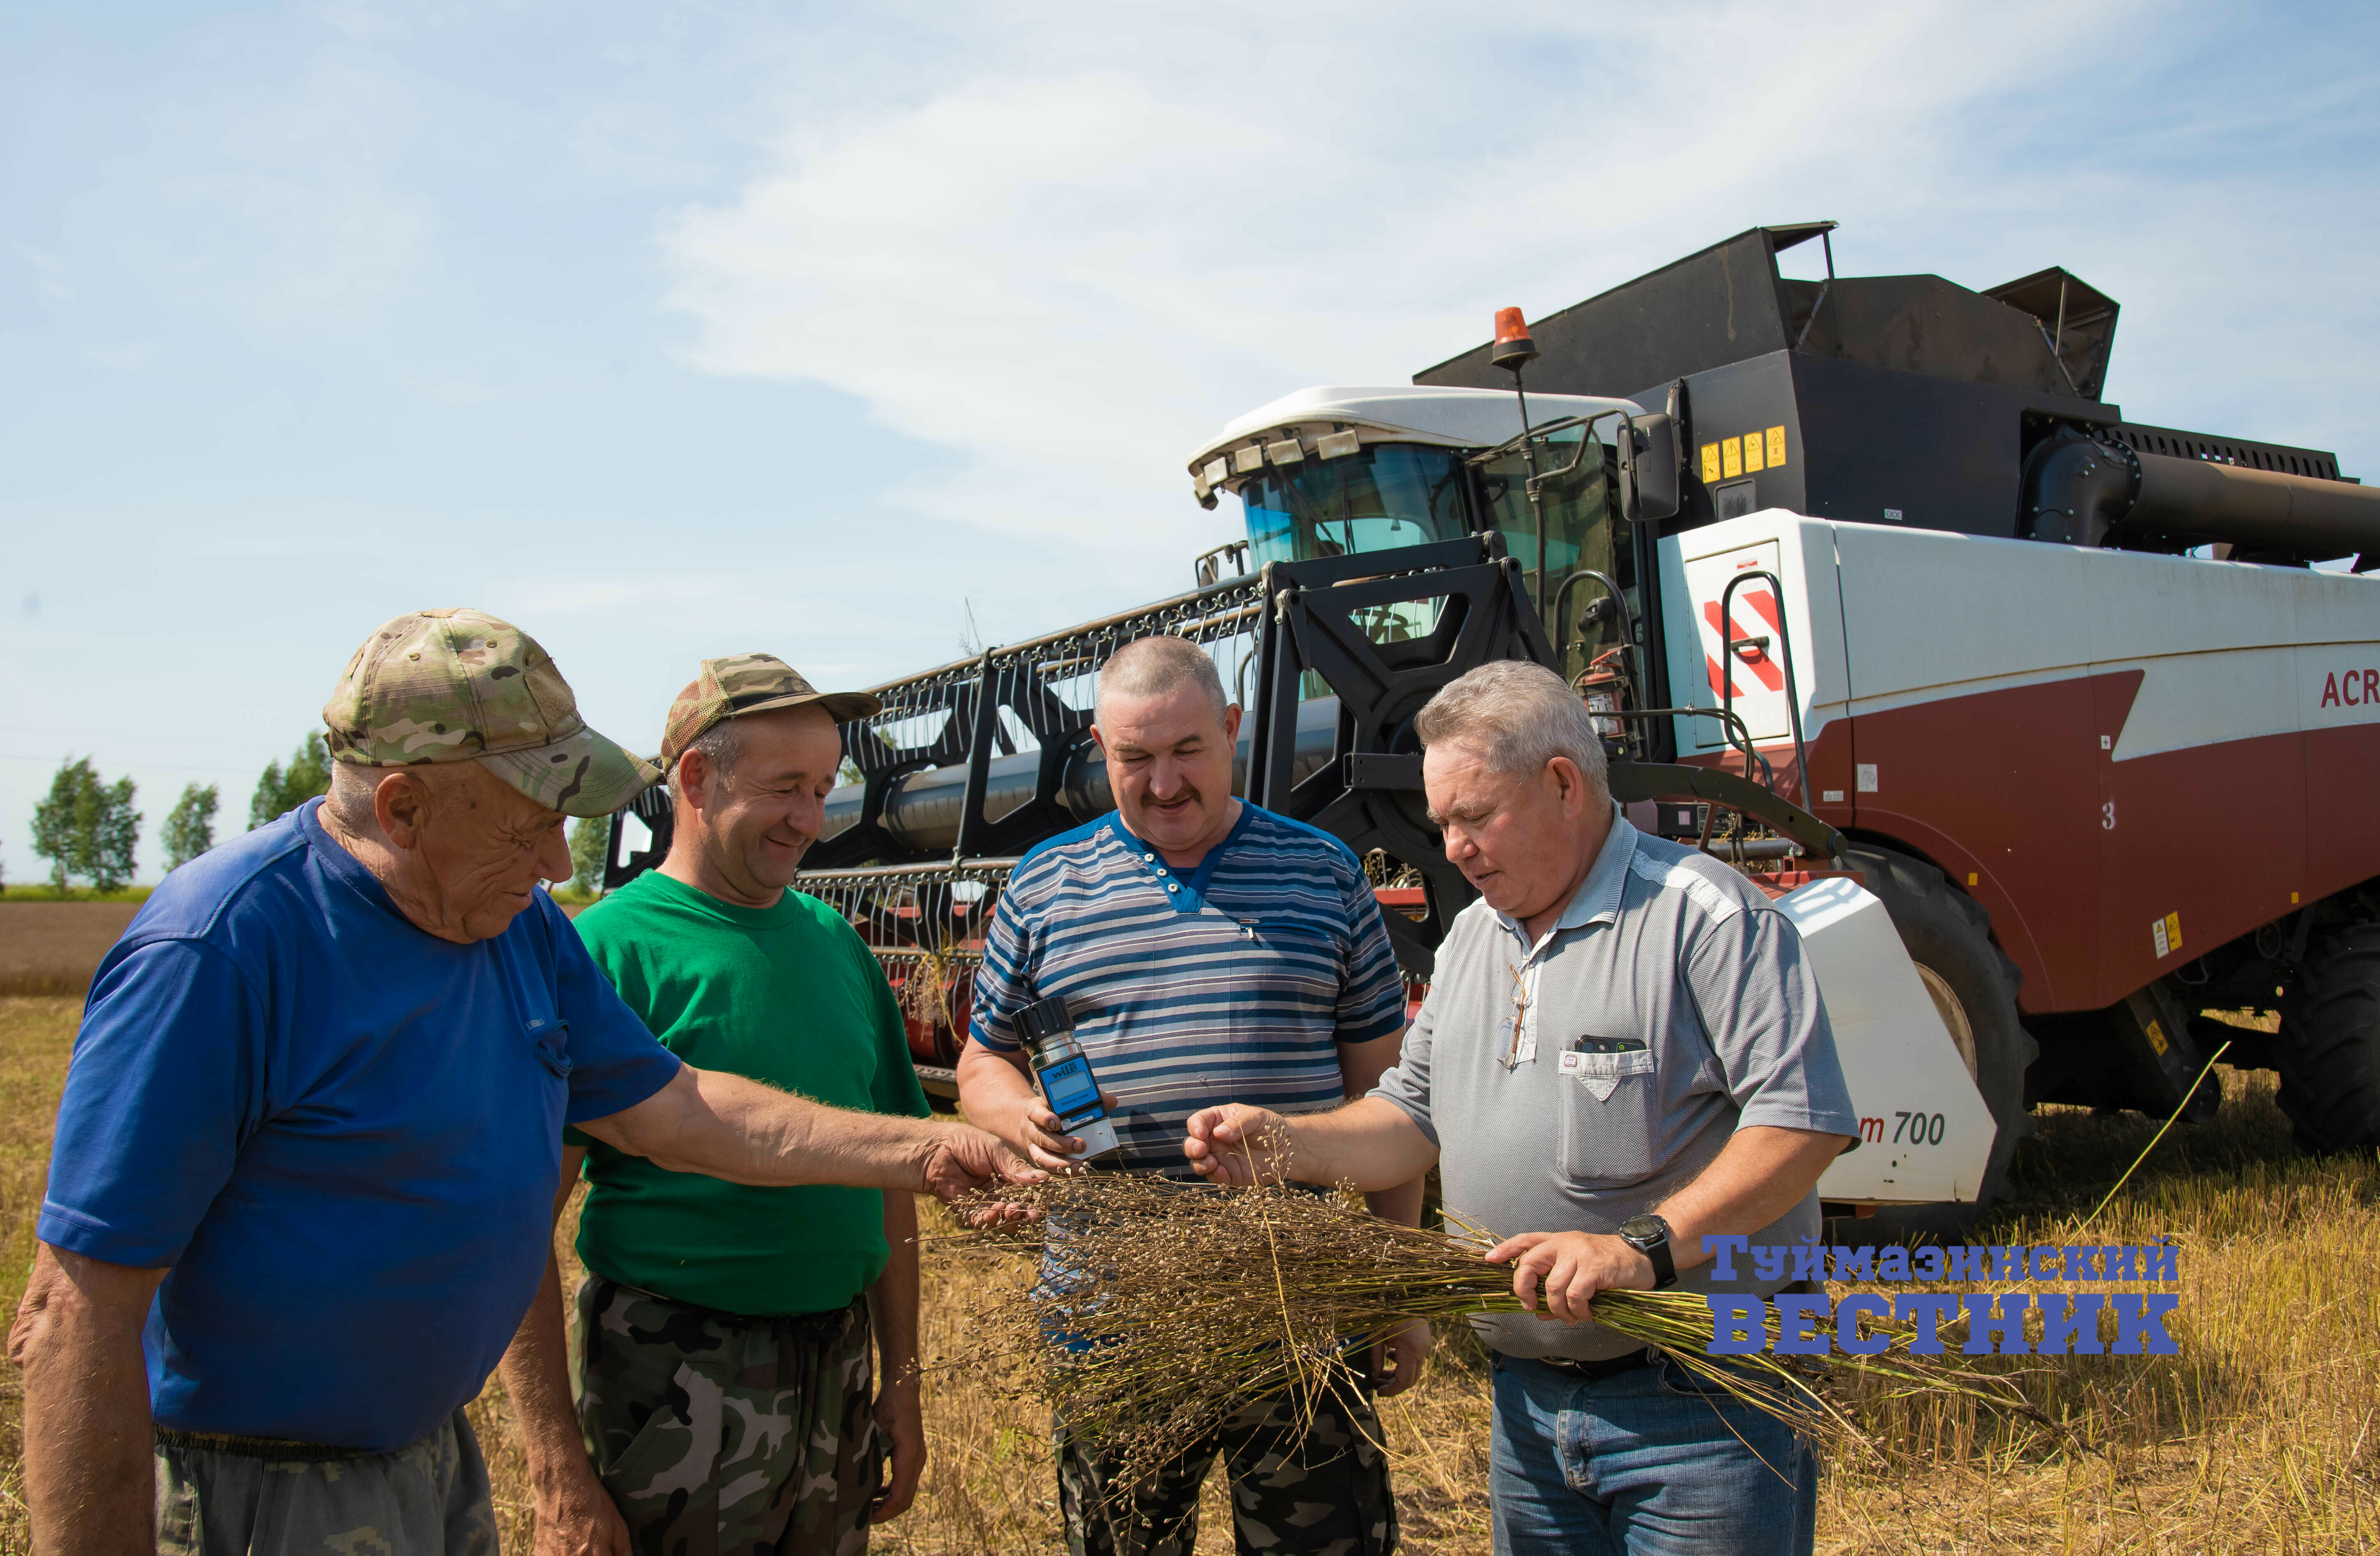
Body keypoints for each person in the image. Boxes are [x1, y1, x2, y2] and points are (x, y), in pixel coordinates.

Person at [10, 610, 1031, 1556]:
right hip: (256, 1488)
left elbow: (679, 1110)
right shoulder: (225, 951)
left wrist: (932, 1146)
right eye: (527, 823)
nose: (556, 858)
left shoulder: (515, 929)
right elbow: (75, 1311)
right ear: (404, 807)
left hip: (431, 1461)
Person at [1184, 658, 1861, 1556]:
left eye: (1475, 816)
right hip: (1531, 1411)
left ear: (1562, 785)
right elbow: (1409, 1119)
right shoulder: (1473, 938)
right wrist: (1287, 1144)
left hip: (1702, 1409)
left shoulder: (1705, 918)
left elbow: (1802, 1125)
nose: (1454, 847)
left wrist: (1638, 1250)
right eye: (1442, 824)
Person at [957, 634, 1421, 1556]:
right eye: (1134, 759)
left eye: (1186, 753)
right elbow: (982, 1061)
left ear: (1234, 731)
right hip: (1113, 1318)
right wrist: (1015, 1115)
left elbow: (1392, 1104)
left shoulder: (1323, 872)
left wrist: (1394, 1285)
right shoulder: (1043, 885)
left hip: (1299, 1315)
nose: (1163, 784)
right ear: (1099, 748)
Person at [501, 653, 937, 1556]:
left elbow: (892, 1177)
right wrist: (556, 1467)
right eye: (785, 789)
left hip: (839, 1364)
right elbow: (514, 1226)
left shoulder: (835, 944)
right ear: (695, 779)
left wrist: (904, 1380)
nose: (810, 821)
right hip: (676, 1372)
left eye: (823, 788)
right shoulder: (605, 953)